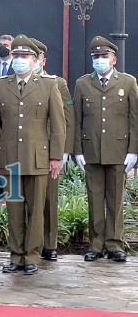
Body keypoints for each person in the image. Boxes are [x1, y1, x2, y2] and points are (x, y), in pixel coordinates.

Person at [0, 34, 65, 275]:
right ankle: (16, 255)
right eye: (17, 56)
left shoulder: (48, 85)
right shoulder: (0, 85)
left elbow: (58, 124)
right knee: (14, 208)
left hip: (38, 157)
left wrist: (55, 157)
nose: (20, 60)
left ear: (35, 61)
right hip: (9, 156)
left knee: (35, 208)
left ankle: (32, 256)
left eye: (25, 56)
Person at [74, 36, 138, 263]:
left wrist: (134, 151)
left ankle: (115, 244)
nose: (99, 60)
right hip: (91, 150)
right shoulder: (83, 83)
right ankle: (96, 244)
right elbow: (77, 119)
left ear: (114, 59)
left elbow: (134, 119)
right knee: (95, 198)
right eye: (96, 57)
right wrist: (77, 150)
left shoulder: (128, 83)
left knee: (115, 200)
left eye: (104, 56)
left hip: (118, 150)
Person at [30, 37, 74, 261]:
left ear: (42, 61)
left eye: (36, 58)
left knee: (49, 198)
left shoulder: (57, 83)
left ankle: (49, 243)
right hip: (27, 149)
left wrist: (63, 152)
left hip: (50, 150)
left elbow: (67, 119)